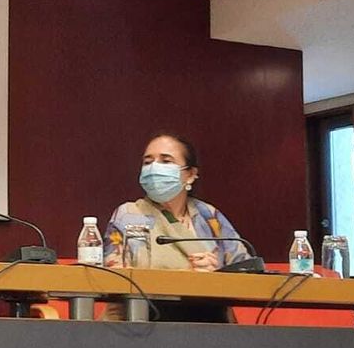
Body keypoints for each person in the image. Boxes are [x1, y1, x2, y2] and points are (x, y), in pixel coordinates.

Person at [103, 132, 250, 321]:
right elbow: (114, 277)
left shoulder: (208, 216)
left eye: (166, 161)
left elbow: (245, 270)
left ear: (190, 174)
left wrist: (216, 274)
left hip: (209, 320)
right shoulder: (129, 214)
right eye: (148, 162)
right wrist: (186, 277)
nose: (154, 168)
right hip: (142, 319)